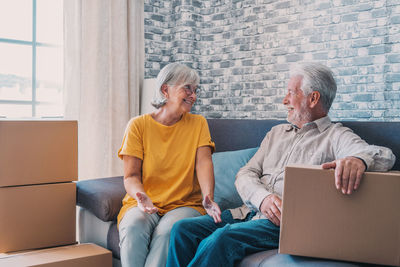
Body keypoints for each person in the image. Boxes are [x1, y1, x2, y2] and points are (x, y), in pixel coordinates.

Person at [166, 62, 396, 267]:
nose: (284, 100)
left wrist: (357, 160)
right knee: (182, 230)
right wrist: (262, 198)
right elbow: (246, 173)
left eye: (290, 93)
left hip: (283, 223)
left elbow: (384, 156)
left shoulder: (335, 135)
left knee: (222, 239)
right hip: (249, 211)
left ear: (313, 98)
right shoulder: (276, 133)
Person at [117, 62, 222, 267]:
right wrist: (141, 196)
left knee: (168, 231)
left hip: (185, 204)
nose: (194, 95)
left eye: (195, 90)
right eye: (187, 88)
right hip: (145, 202)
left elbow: (203, 163)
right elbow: (131, 177)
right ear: (166, 89)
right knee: (133, 226)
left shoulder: (198, 123)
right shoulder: (138, 125)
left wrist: (208, 196)